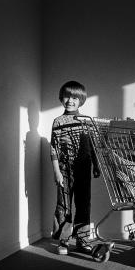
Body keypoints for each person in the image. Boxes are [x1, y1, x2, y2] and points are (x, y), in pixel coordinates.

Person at [50, 80, 100, 255]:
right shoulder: (57, 122)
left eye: (74, 97)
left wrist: (95, 164)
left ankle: (82, 240)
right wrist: (56, 171)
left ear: (81, 100)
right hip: (64, 169)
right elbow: (53, 148)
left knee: (83, 204)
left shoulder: (86, 121)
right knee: (64, 206)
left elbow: (92, 145)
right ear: (61, 98)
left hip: (83, 169)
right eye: (66, 97)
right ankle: (63, 241)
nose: (70, 101)